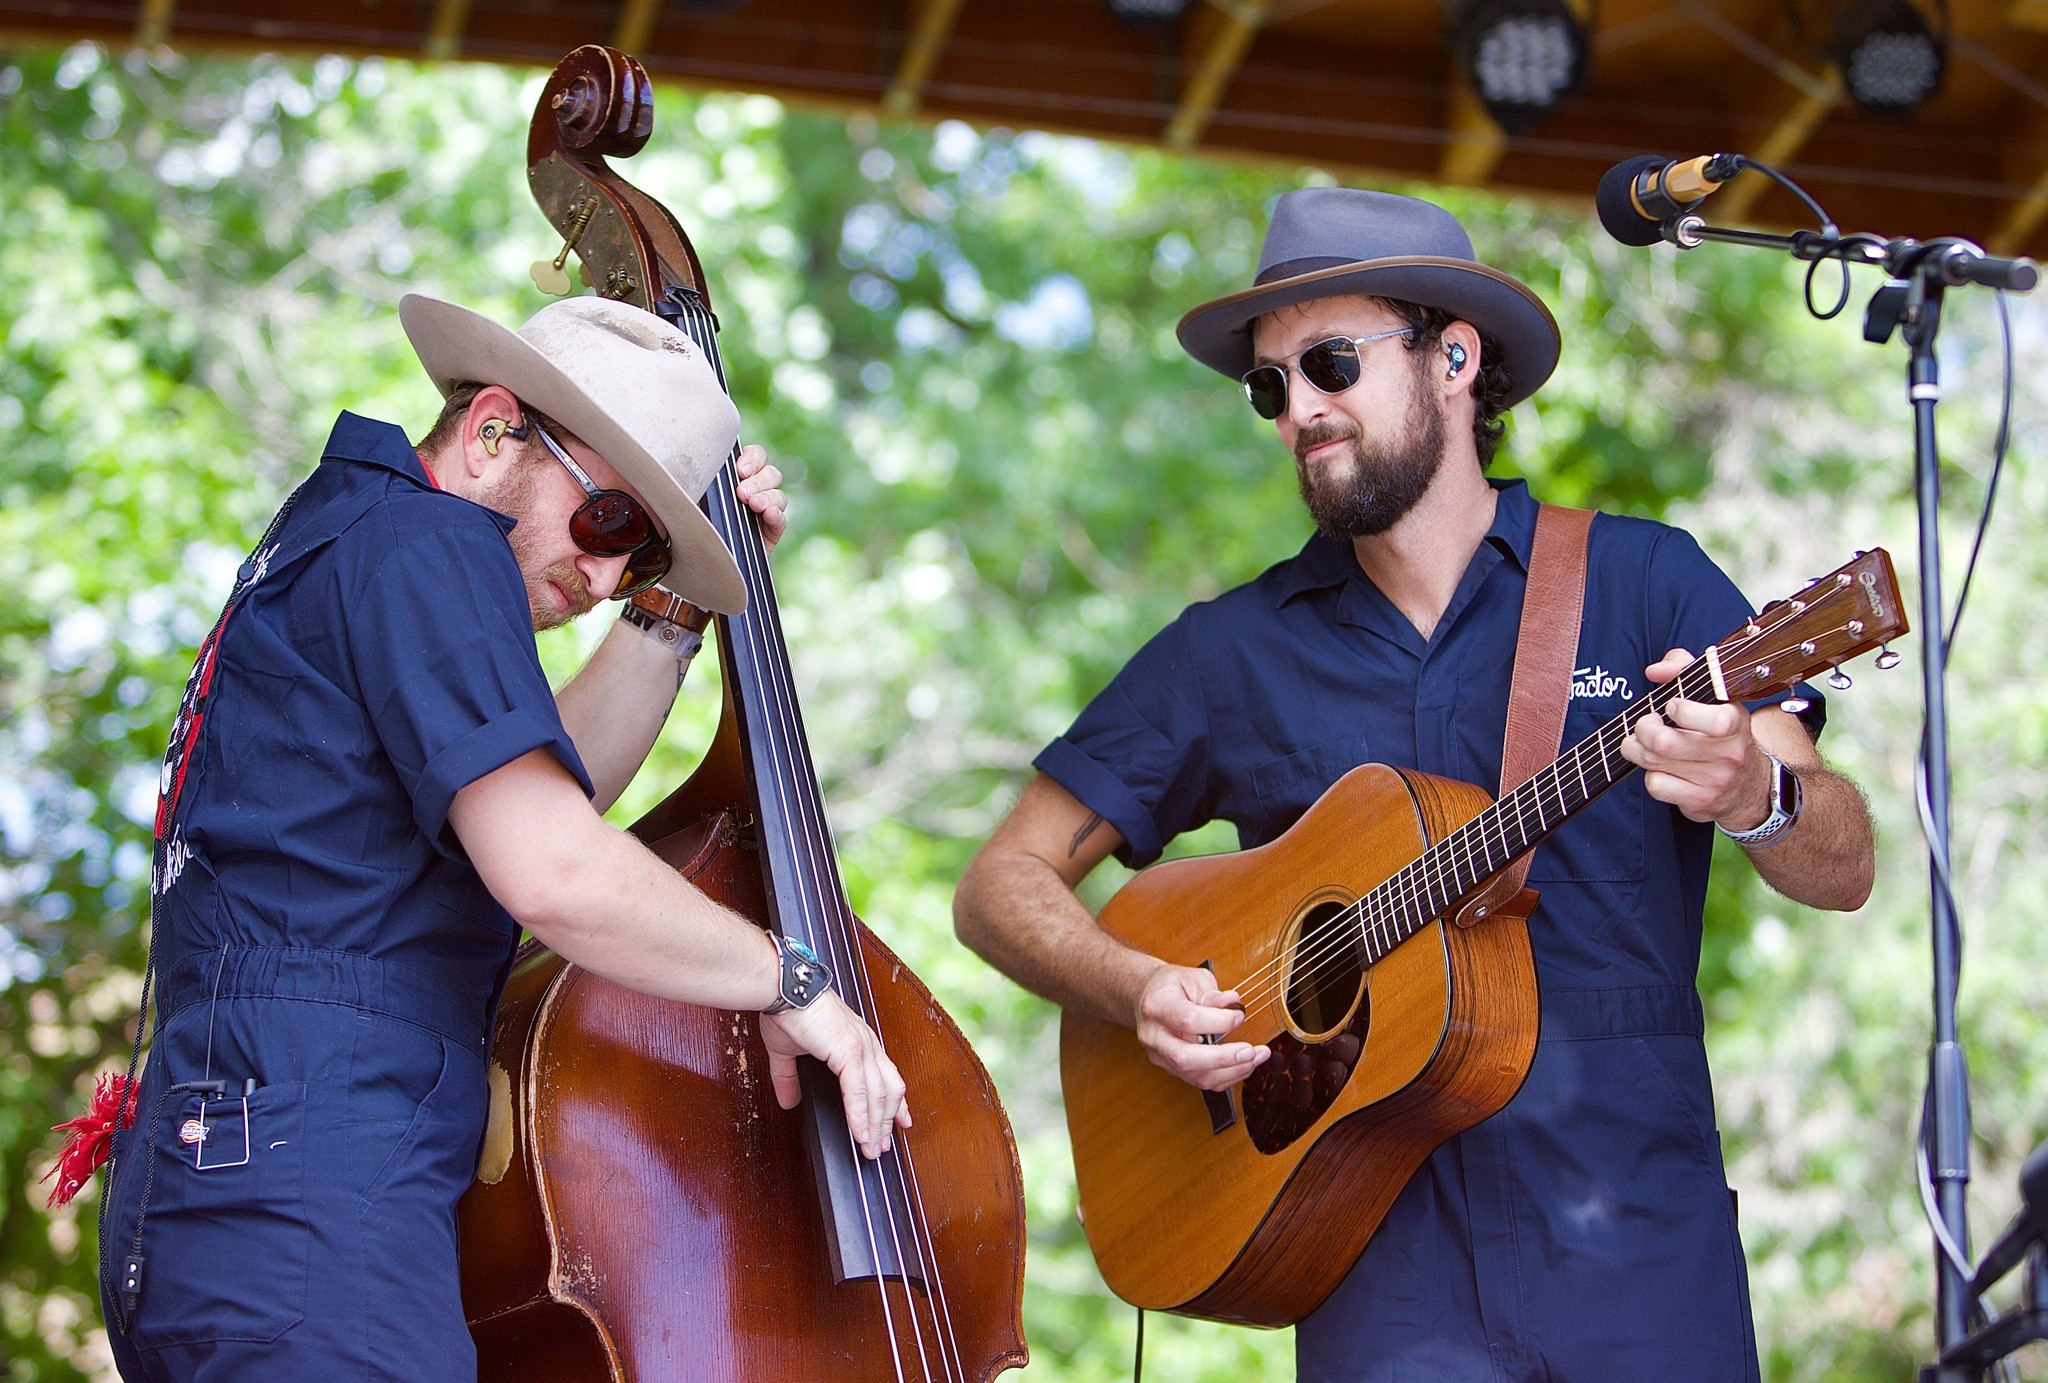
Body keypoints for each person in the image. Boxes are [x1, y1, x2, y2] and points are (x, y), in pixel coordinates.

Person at [953, 188, 1876, 1382]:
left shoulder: (1646, 581)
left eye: (1328, 362)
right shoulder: (1226, 654)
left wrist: (1756, 791)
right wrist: (1134, 987)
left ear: (1453, 356)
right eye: (1268, 385)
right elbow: (997, 884)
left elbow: (1841, 863)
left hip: (1637, 1265)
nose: (1297, 409)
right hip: (1372, 1280)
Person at [95, 293, 909, 1382]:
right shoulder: (432, 545)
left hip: (245, 1172)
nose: (610, 576)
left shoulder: (361, 535)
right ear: (490, 432)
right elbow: (554, 869)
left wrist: (671, 618)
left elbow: (530, 799)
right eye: (609, 523)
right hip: (308, 1182)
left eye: (645, 558)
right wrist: (794, 980)